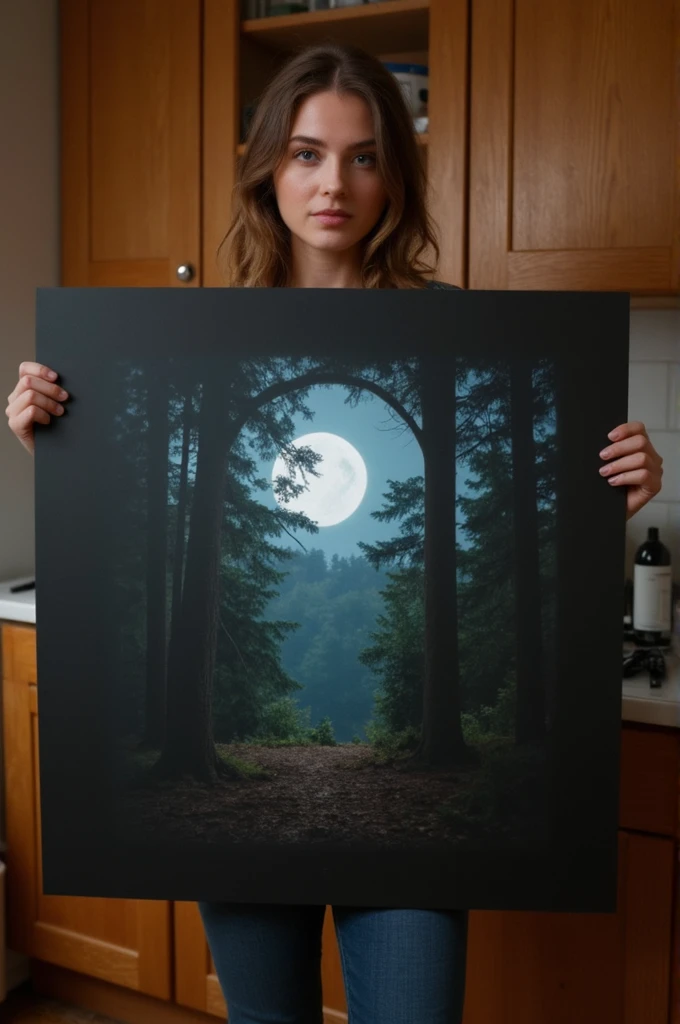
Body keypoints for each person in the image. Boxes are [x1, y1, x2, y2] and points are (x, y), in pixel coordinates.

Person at [5, 43, 663, 1024]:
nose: (332, 184)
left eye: (362, 157)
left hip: (420, 848)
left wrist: (608, 489)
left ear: (392, 173)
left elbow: (518, 528)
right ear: (268, 164)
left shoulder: (463, 329)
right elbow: (126, 501)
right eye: (307, 153)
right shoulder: (189, 333)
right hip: (232, 849)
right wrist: (48, 439)